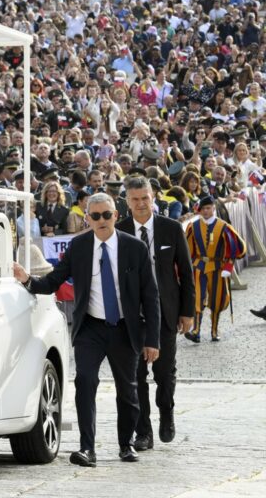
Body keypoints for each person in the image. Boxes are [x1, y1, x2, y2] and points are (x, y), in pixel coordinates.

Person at [13, 193, 160, 467]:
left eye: (107, 215)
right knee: (85, 382)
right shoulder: (79, 247)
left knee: (128, 389)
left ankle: (126, 444)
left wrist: (153, 339)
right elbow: (54, 281)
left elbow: (150, 296)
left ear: (116, 216)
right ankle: (87, 448)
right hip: (90, 328)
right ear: (87, 220)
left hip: (125, 328)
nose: (102, 220)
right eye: (95, 216)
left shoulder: (134, 247)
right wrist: (27, 280)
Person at [116, 177, 195, 451]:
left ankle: (167, 412)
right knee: (136, 375)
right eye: (135, 199)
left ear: (153, 198)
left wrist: (187, 312)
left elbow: (186, 272)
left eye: (145, 198)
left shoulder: (171, 229)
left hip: (165, 312)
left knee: (164, 372)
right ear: (127, 202)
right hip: (131, 315)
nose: (140, 204)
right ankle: (143, 431)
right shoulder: (119, 231)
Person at [184, 195, 247, 342]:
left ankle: (214, 330)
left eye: (208, 208)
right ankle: (196, 331)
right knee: (197, 298)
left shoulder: (224, 227)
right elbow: (187, 249)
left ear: (213, 208)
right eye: (203, 209)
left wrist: (228, 266)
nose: (205, 211)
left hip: (217, 267)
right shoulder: (193, 226)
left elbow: (236, 248)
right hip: (199, 266)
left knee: (217, 299)